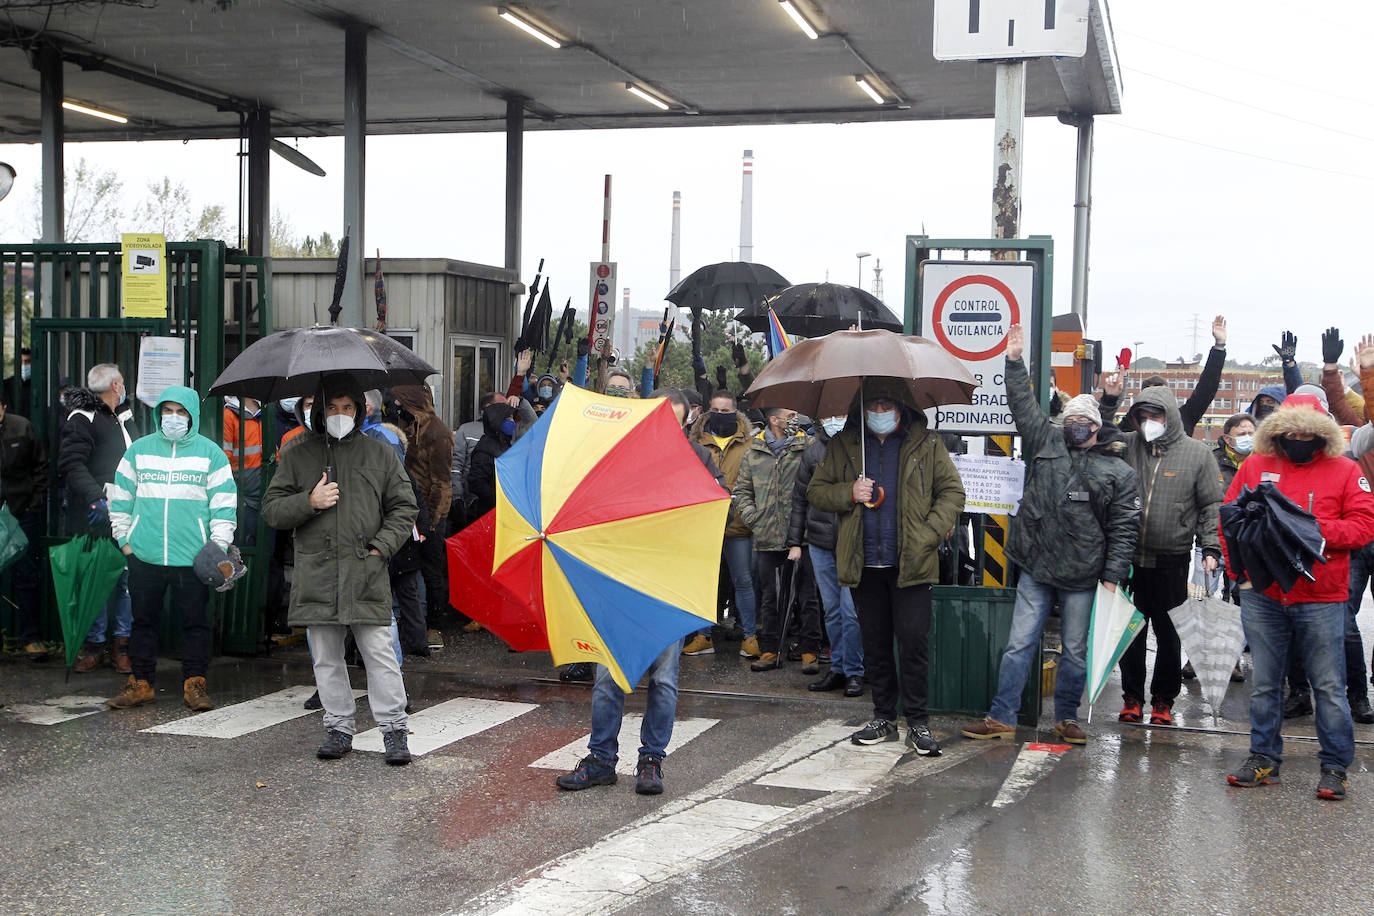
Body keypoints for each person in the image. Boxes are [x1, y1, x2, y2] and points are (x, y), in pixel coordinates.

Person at [963, 326, 1140, 745]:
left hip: (1083, 576)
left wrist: (1113, 575)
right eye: (1071, 419)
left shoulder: (1118, 472)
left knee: (1075, 652)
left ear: (1097, 428)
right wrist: (1013, 360)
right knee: (1018, 645)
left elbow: (1124, 529)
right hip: (1037, 568)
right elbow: (1023, 405)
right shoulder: (1046, 440)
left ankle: (1066, 718)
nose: (1077, 425)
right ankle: (1001, 715)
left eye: (1085, 420)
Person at [555, 388, 720, 796]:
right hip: (620, 583)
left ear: (687, 419)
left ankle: (651, 761)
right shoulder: (618, 457)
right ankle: (601, 759)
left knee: (663, 680)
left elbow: (714, 515)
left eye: (675, 418)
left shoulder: (699, 459)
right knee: (608, 677)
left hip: (669, 586)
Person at [262, 373, 419, 765]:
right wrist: (309, 501)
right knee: (326, 656)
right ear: (317, 409)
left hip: (366, 569)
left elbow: (404, 508)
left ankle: (394, 730)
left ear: (360, 409)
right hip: (318, 572)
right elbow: (273, 509)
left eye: (346, 407)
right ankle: (338, 726)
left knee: (379, 654)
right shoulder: (297, 452)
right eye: (331, 407)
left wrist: (381, 548)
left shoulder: (380, 453)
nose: (339, 414)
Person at [1224, 393, 1374, 801]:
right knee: (1265, 684)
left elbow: (1363, 527)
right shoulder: (1255, 466)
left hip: (1322, 596)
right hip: (1264, 594)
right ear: (1277, 430)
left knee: (1328, 686)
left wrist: (1306, 529)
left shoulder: (1345, 471)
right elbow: (1229, 517)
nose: (1298, 436)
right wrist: (1240, 573)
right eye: (1290, 430)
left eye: (1307, 430)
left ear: (1322, 432)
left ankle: (1335, 766)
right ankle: (1263, 757)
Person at [808, 380, 966, 754]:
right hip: (864, 562)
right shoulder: (847, 445)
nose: (879, 413)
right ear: (861, 409)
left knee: (912, 641)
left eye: (886, 405)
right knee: (874, 643)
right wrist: (848, 492)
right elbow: (816, 491)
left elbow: (953, 492)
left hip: (912, 562)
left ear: (901, 407)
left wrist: (927, 534)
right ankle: (883, 716)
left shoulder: (927, 445)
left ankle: (918, 721)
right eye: (872, 406)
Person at [105, 386, 238, 711]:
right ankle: (141, 683)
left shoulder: (211, 454)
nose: (173, 417)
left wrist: (215, 549)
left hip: (193, 559)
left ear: (192, 415)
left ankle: (195, 685)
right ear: (158, 413)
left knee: (194, 623)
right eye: (168, 411)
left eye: (181, 411)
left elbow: (224, 507)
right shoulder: (138, 451)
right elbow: (120, 499)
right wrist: (125, 542)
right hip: (144, 555)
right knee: (143, 622)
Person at [1103, 380, 1223, 726]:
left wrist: (1210, 547)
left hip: (1172, 559)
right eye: (1142, 416)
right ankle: (1131, 697)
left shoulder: (1197, 454)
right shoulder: (1127, 445)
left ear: (1169, 416)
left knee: (1170, 635)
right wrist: (1110, 400)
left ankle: (1163, 701)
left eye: (1155, 415)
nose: (1148, 423)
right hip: (1130, 558)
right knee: (1131, 632)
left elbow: (1211, 506)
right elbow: (1099, 434)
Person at [59, 363, 136, 673]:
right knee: (96, 578)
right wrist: (95, 499)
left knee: (125, 579)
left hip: (128, 510)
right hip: (98, 513)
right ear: (116, 385)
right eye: (122, 383)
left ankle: (122, 644)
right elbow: (71, 464)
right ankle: (94, 645)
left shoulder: (123, 416)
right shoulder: (83, 418)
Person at [789, 412, 865, 696]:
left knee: (851, 611)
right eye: (830, 415)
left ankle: (855, 671)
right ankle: (838, 667)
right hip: (820, 542)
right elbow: (799, 498)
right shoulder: (813, 452)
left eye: (841, 414)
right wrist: (795, 541)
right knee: (831, 611)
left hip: (852, 541)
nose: (835, 419)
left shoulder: (863, 450)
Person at [734, 406, 812, 672]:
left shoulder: (807, 447)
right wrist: (753, 517)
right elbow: (742, 490)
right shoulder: (753, 452)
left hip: (801, 535)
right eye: (790, 416)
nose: (795, 420)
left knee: (806, 595)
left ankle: (809, 651)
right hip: (766, 536)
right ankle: (770, 650)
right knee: (770, 597)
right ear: (774, 419)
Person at [686, 391, 760, 658]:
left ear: (736, 413)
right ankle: (703, 636)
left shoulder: (750, 445)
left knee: (743, 582)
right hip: (704, 526)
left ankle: (750, 636)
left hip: (738, 526)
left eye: (726, 410)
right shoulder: (695, 442)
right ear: (707, 411)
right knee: (704, 582)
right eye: (715, 409)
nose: (720, 414)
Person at [391, 385, 454, 638]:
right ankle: (413, 625)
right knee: (409, 568)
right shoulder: (409, 426)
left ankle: (434, 627)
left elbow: (441, 480)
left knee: (431, 570)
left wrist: (433, 521)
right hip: (410, 509)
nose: (394, 404)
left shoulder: (437, 432)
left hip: (432, 511)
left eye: (399, 400)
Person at [1100, 315, 1229, 437]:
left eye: (1161, 393)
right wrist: (1110, 399)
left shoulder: (1184, 418)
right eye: (1152, 394)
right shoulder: (1131, 424)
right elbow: (1104, 431)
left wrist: (1219, 347)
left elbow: (1206, 390)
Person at [0, 394, 49, 659]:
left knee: (27, 573)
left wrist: (34, 502)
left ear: (4, 408)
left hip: (21, 511)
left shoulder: (21, 427)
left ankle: (32, 638)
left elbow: (40, 466)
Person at [221, 396, 263, 547]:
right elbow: (224, 460)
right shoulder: (229, 416)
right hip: (243, 497)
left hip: (263, 494)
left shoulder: (263, 414)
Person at [467, 397, 516, 521]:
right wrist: (498, 498)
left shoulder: (505, 442)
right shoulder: (485, 450)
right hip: (491, 512)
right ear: (498, 421)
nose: (513, 421)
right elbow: (476, 483)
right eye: (509, 418)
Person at [2, 346, 33, 417]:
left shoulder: (38, 385)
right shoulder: (7, 385)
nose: (24, 365)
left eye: (27, 362)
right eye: (21, 362)